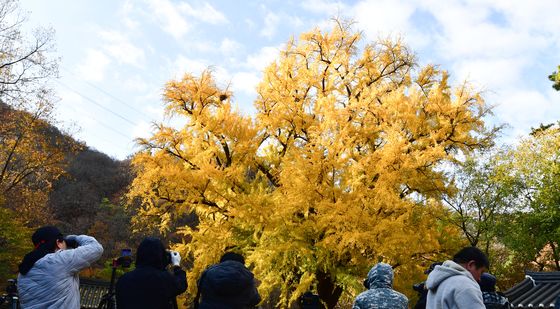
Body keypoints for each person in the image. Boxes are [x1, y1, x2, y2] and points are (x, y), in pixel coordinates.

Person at [17, 225, 103, 308]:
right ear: (58, 243)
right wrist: (74, 238)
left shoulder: (23, 272)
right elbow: (96, 248)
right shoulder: (58, 260)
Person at [116, 237, 187, 309]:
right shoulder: (164, 280)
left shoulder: (123, 280)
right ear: (161, 256)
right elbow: (181, 284)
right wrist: (176, 265)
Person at [194, 252, 261, 308]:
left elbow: (200, 290)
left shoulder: (208, 273)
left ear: (222, 261)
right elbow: (255, 300)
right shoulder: (247, 276)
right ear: (242, 263)